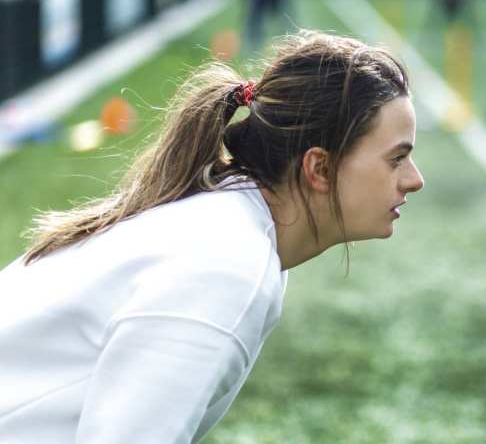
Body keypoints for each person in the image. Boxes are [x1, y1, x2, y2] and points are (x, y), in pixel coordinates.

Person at [0, 30, 425, 442]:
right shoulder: (225, 267)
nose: (414, 180)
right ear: (320, 168)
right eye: (397, 159)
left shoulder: (228, 229)